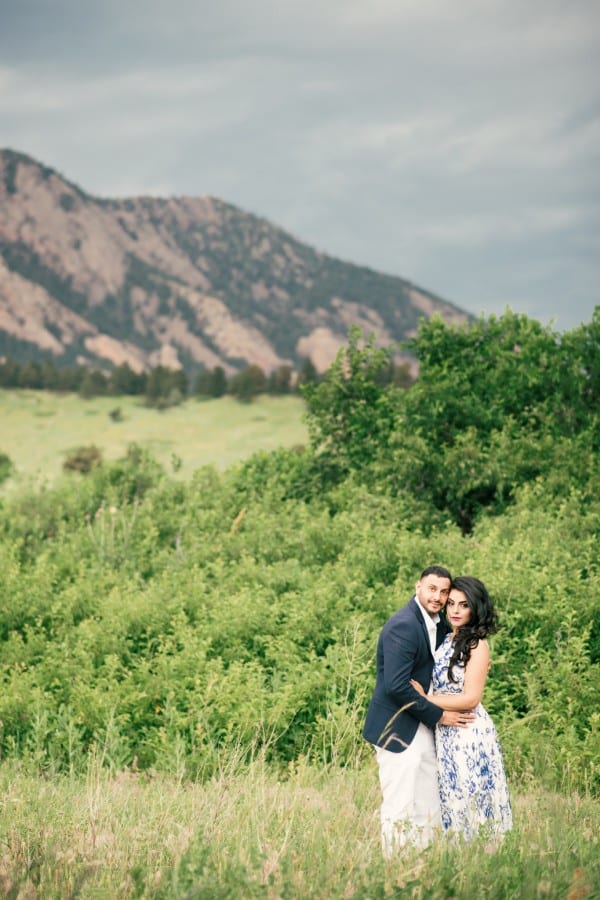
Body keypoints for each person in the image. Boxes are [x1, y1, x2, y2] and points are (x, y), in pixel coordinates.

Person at [363, 566, 475, 855]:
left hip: (424, 726)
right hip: (397, 726)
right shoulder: (403, 625)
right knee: (400, 804)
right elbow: (397, 686)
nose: (437, 597)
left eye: (443, 591)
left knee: (428, 803)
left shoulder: (441, 626)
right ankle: (394, 867)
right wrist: (441, 715)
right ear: (418, 587)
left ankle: (423, 866)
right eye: (432, 589)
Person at [411, 575, 512, 841]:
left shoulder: (478, 645)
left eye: (464, 605)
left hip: (469, 731)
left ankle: (485, 855)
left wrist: (424, 699)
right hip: (446, 731)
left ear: (475, 608)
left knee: (472, 798)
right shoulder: (446, 639)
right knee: (452, 800)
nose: (455, 610)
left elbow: (471, 698)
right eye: (452, 603)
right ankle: (461, 860)